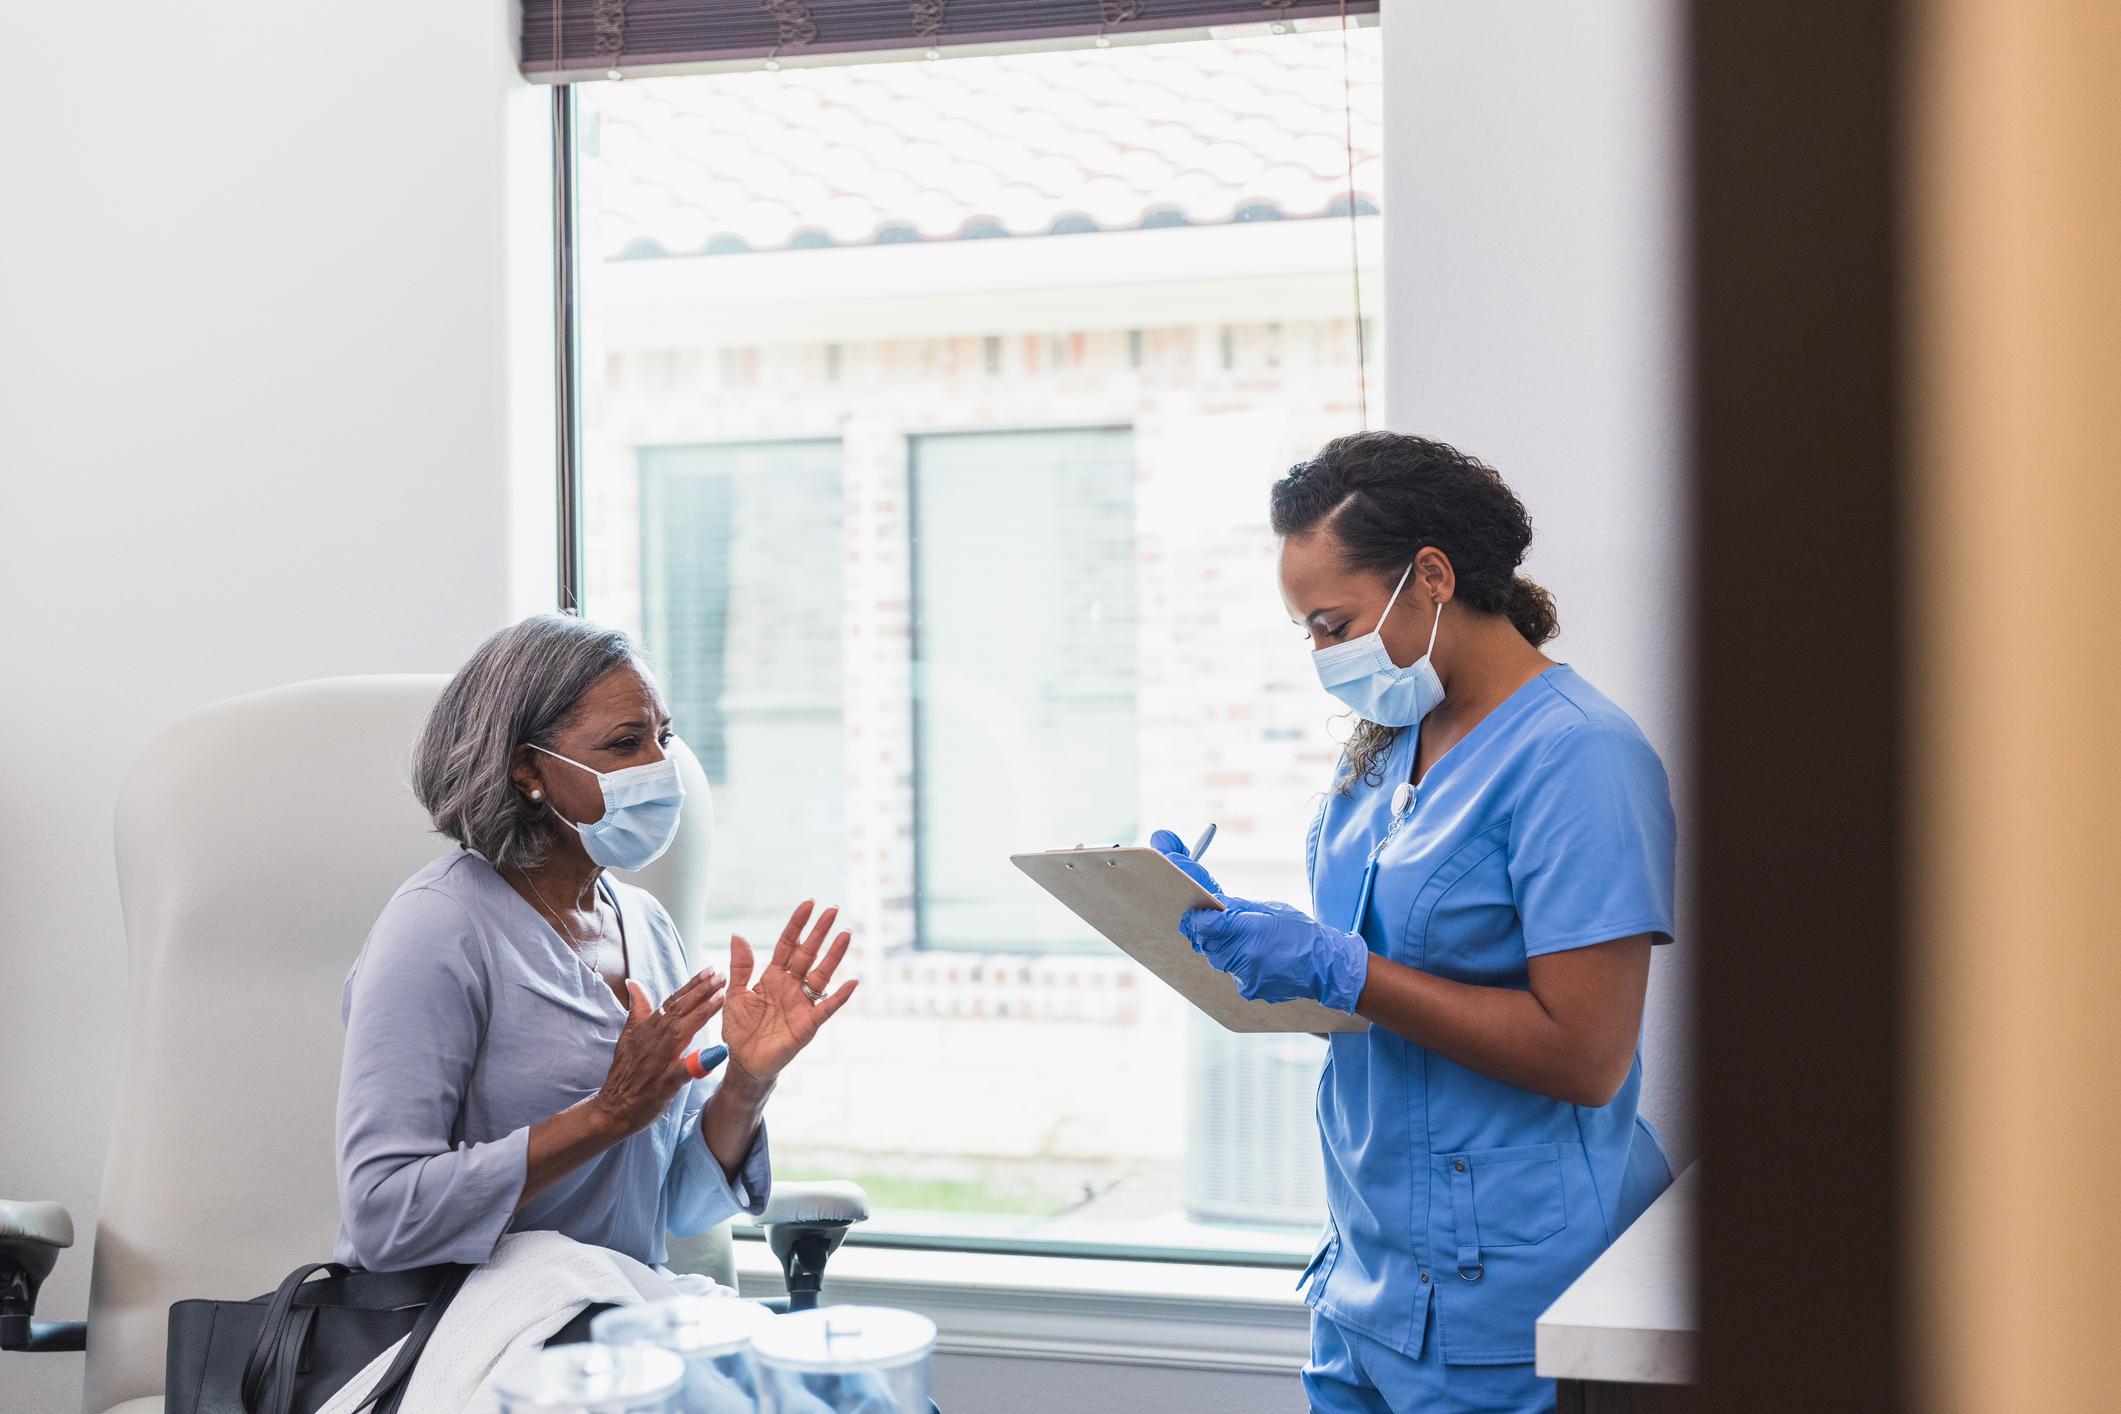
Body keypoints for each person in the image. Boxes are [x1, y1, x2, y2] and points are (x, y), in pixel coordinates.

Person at [1154, 432, 1676, 1413]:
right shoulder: (1392, 742)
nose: (1322, 653)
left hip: (1508, 1299)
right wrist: (1222, 932)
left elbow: (1587, 1056)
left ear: (1432, 576)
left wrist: (1340, 969)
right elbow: (1380, 985)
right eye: (1306, 629)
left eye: (1331, 622)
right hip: (1367, 1282)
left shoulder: (1582, 760)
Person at [334, 614, 856, 1272]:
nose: (663, 768)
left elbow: (680, 1210)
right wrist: (607, 1114)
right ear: (528, 768)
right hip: (456, 1330)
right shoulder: (437, 927)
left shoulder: (645, 926)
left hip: (609, 1314)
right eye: (625, 743)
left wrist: (748, 1083)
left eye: (663, 737)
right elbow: (385, 1218)